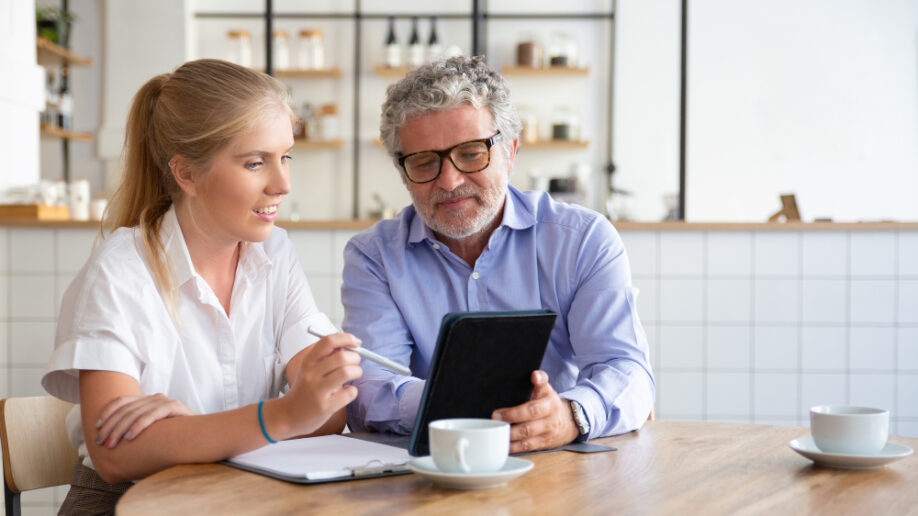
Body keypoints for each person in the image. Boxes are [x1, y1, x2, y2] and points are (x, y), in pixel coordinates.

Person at [41, 59, 362, 513]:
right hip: (125, 502)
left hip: (235, 492)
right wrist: (282, 415)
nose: (283, 184)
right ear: (186, 174)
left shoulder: (275, 255)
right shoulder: (121, 268)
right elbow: (114, 454)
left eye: (285, 156)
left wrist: (197, 432)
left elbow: (328, 412)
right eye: (255, 162)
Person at [343, 56, 654, 453]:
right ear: (403, 173)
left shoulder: (584, 240)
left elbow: (627, 371)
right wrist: (474, 404)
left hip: (560, 468)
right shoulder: (373, 258)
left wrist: (571, 414)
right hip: (434, 472)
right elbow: (368, 389)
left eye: (472, 153)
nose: (450, 181)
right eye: (424, 163)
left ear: (510, 151)